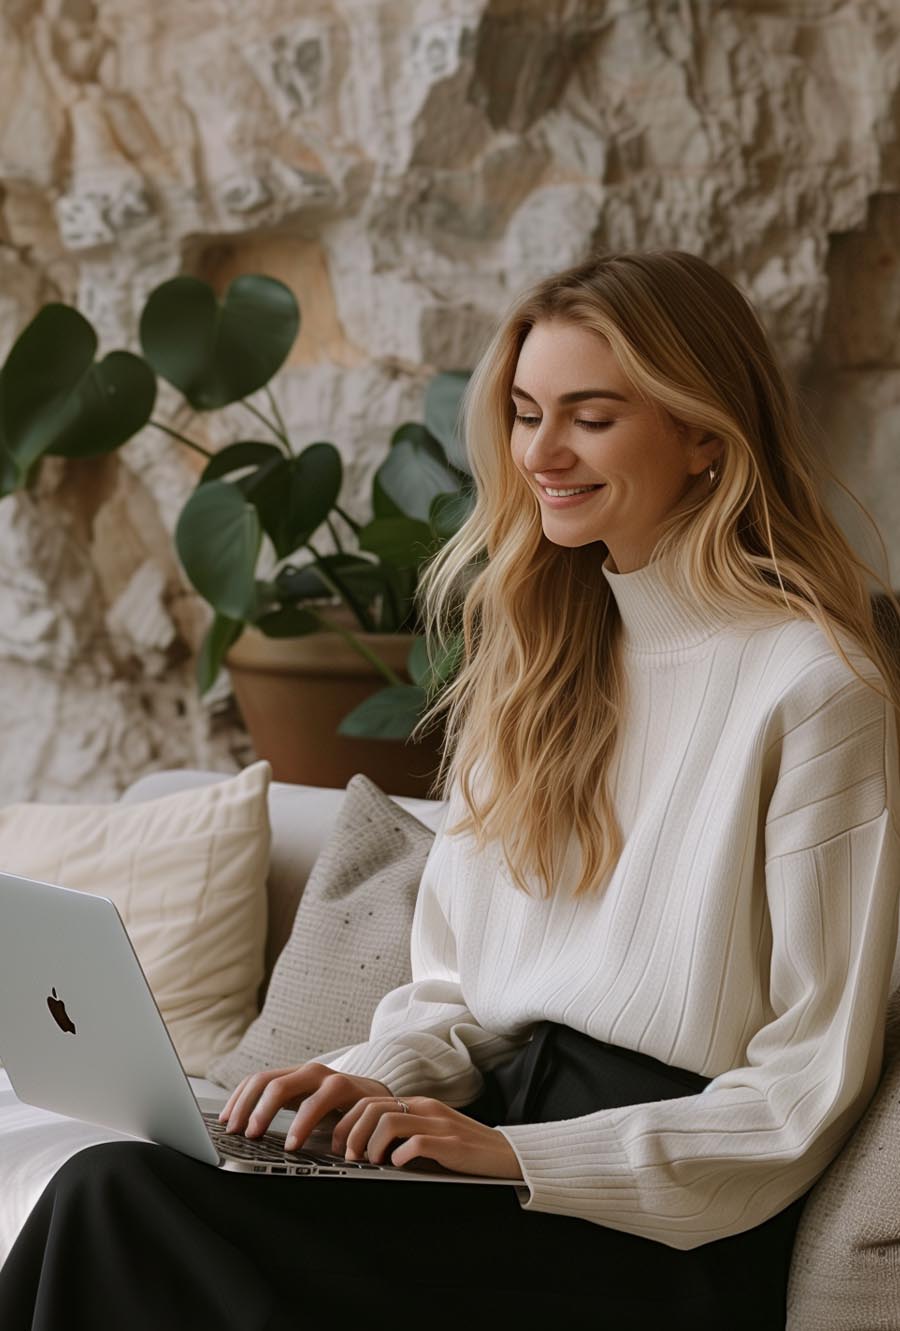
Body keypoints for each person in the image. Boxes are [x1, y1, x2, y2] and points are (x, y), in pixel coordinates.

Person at [1, 249, 899, 1330]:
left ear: (705, 431)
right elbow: (456, 990)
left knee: (120, 1202)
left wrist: (518, 1153)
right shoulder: (536, 662)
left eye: (591, 416)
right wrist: (369, 1078)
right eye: (525, 414)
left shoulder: (818, 688)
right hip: (493, 1152)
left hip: (655, 1227)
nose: (542, 454)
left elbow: (807, 1080)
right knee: (108, 1180)